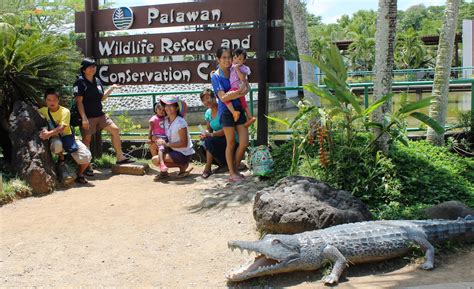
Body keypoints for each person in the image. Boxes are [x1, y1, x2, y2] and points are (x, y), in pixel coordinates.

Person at [73, 57, 132, 177]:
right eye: (90, 66)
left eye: (94, 66)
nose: (92, 68)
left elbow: (101, 98)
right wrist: (83, 118)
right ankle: (87, 166)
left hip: (100, 115)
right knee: (87, 140)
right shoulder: (80, 82)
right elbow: (79, 102)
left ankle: (120, 157)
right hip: (87, 117)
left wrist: (111, 88)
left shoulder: (97, 80)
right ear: (84, 69)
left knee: (115, 130)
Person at [210, 47, 249, 182]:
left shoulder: (236, 68)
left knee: (244, 142)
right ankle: (232, 173)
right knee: (231, 142)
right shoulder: (216, 76)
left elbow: (246, 87)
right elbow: (223, 98)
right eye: (224, 57)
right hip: (226, 112)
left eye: (229, 57)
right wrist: (238, 92)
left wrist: (240, 90)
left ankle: (235, 167)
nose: (227, 60)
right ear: (218, 59)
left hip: (239, 108)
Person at [38, 89, 92, 184]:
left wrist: (48, 134)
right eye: (49, 100)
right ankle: (61, 159)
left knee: (87, 156)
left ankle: (79, 174)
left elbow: (62, 128)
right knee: (57, 144)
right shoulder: (43, 111)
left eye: (54, 100)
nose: (52, 102)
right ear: (45, 101)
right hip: (55, 137)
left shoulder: (65, 111)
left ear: (58, 100)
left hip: (68, 137)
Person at [151, 96, 194, 180]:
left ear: (177, 108)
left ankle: (182, 165)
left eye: (171, 106)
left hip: (182, 153)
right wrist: (155, 138)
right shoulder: (166, 120)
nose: (167, 108)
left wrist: (166, 144)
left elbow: (184, 143)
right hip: (172, 149)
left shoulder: (180, 122)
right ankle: (164, 171)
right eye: (166, 105)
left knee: (155, 160)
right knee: (153, 145)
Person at [199, 88, 228, 179]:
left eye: (208, 98)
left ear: (214, 97)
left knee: (209, 141)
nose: (206, 101)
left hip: (228, 139)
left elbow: (226, 130)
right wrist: (205, 134)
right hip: (218, 139)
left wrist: (211, 135)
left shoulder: (222, 109)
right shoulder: (208, 112)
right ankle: (223, 164)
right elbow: (209, 130)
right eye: (203, 100)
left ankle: (207, 168)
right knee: (202, 143)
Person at [224, 48, 256, 127]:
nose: (237, 61)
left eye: (240, 59)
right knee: (244, 103)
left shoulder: (243, 68)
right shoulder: (232, 66)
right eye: (235, 58)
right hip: (239, 88)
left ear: (244, 61)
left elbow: (242, 78)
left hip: (237, 87)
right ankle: (250, 117)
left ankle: (234, 112)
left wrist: (237, 69)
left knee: (225, 98)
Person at [148, 102, 168, 173]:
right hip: (157, 136)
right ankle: (160, 164)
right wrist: (149, 138)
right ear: (156, 109)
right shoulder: (153, 119)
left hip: (165, 136)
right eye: (159, 109)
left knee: (161, 146)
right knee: (160, 146)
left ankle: (161, 164)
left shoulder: (165, 118)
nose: (161, 112)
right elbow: (150, 129)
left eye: (163, 110)